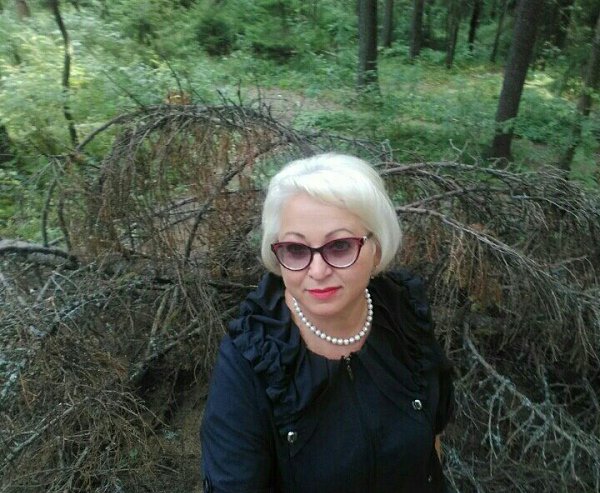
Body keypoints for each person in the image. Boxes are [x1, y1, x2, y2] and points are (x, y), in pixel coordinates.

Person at [200, 153, 454, 493]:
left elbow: (432, 438)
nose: (317, 271)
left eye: (339, 246)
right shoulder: (251, 360)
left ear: (377, 248)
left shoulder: (404, 314)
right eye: (295, 249)